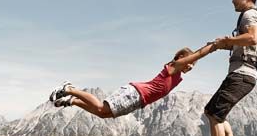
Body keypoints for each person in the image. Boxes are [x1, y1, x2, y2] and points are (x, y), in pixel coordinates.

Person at [49, 44, 216, 119]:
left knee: (103, 114)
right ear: (180, 58)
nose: (191, 67)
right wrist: (211, 48)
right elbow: (197, 55)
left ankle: (72, 101)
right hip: (134, 93)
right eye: (190, 63)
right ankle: (69, 88)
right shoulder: (172, 67)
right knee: (101, 107)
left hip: (139, 101)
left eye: (194, 66)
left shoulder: (178, 77)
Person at [201, 0, 257, 136]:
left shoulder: (250, 15)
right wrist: (224, 44)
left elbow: (253, 37)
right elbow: (245, 43)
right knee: (214, 111)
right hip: (243, 74)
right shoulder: (250, 16)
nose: (233, 2)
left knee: (214, 114)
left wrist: (229, 40)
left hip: (241, 73)